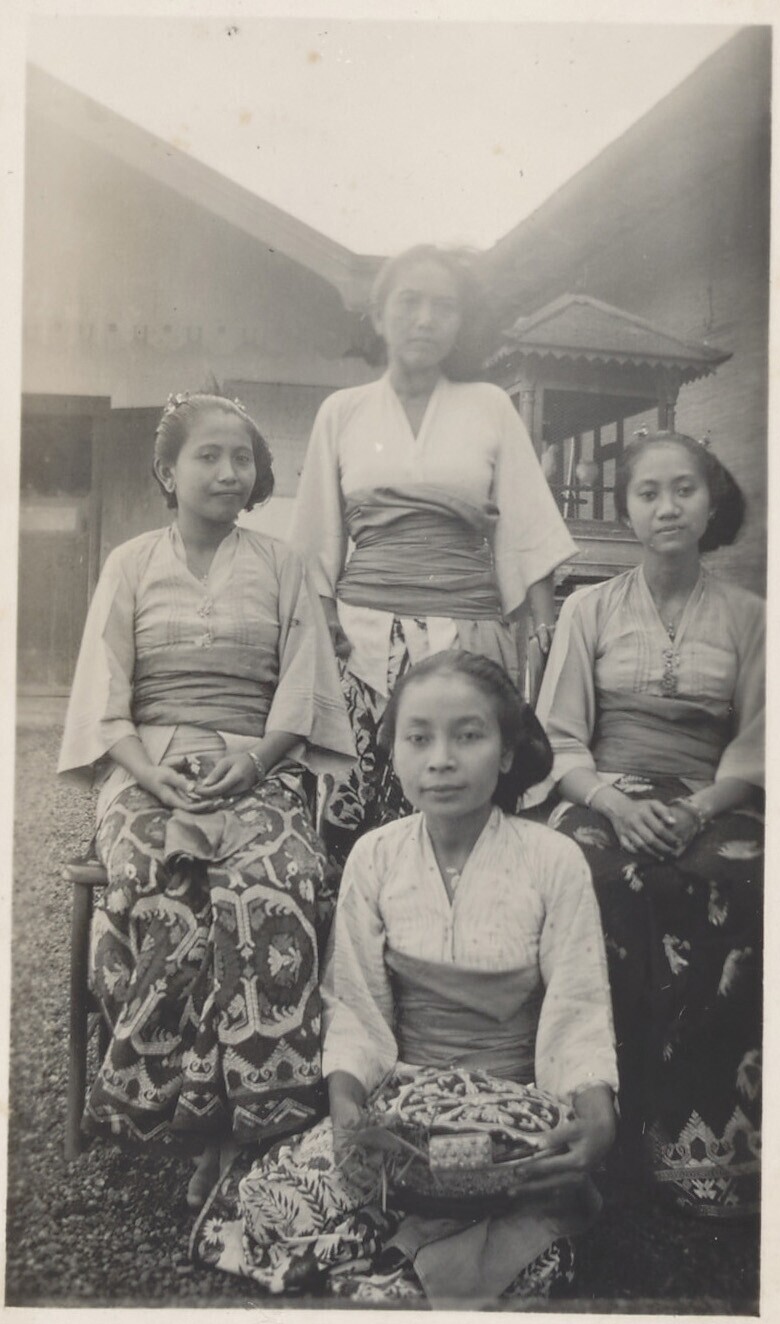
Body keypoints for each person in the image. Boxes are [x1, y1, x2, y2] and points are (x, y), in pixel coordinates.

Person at [192, 651, 618, 1306]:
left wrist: (593, 1119)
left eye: (468, 736)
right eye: (418, 739)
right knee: (266, 1204)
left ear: (507, 752)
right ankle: (422, 1249)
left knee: (497, 1192)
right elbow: (356, 1006)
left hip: (511, 1121)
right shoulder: (376, 855)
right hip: (404, 1113)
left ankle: (421, 1249)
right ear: (392, 753)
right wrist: (347, 1106)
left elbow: (578, 1011)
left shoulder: (553, 859)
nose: (441, 760)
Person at [58, 390, 355, 1208]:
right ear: (167, 471)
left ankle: (247, 1127)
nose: (230, 472)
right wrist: (148, 774)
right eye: (209, 456)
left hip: (256, 765)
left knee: (276, 883)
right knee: (164, 892)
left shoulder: (283, 565)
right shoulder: (130, 564)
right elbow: (104, 696)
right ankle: (191, 1118)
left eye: (242, 458)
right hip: (147, 769)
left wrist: (255, 762)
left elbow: (304, 690)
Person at [531, 430, 764, 1217]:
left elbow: (759, 741)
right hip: (606, 793)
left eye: (684, 490)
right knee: (592, 876)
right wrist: (616, 805)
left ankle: (700, 1141)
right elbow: (559, 739)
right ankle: (599, 1126)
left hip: (711, 794)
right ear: (626, 509)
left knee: (734, 879)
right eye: (648, 492)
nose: (668, 507)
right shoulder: (588, 608)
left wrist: (699, 807)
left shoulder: (752, 616)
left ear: (712, 502)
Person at [290, 244, 577, 861]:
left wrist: (543, 628)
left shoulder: (489, 406)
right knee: (355, 817)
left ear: (461, 319)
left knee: (467, 802)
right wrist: (326, 628)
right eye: (410, 302)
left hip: (468, 631)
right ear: (378, 314)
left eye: (444, 306)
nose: (425, 319)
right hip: (362, 639)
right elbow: (314, 539)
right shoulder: (342, 411)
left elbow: (527, 528)